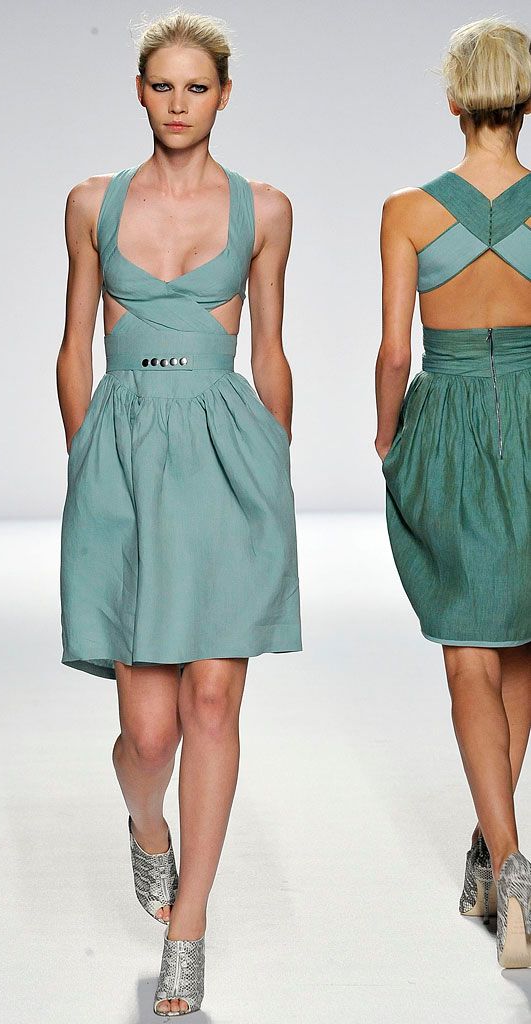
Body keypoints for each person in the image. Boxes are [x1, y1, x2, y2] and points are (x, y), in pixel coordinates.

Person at [56, 10, 302, 1014]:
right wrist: (84, 463)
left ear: (223, 96)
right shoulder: (91, 202)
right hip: (122, 456)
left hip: (225, 456)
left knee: (211, 706)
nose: (177, 102)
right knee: (148, 734)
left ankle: (187, 925)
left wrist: (274, 473)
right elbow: (73, 344)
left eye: (196, 87)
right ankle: (147, 826)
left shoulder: (264, 209)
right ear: (138, 91)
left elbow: (270, 349)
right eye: (161, 85)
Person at [375, 17, 531, 969]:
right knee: (522, 644)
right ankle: (495, 856)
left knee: (468, 653)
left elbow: (394, 350)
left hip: (448, 424)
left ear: (451, 102)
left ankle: (505, 863)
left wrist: (387, 436)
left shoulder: (407, 211)